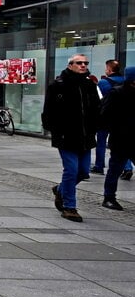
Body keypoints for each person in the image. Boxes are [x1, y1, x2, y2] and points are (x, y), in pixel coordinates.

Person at [41, 54, 101, 223]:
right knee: (71, 170)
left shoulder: (90, 85)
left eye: (85, 63)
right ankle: (69, 207)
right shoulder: (58, 85)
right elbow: (49, 110)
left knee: (83, 171)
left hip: (86, 136)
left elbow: (97, 108)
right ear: (70, 65)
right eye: (79, 63)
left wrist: (96, 127)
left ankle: (60, 190)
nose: (83, 65)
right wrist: (54, 130)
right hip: (66, 136)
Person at [100, 65, 135, 211]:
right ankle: (109, 197)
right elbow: (105, 115)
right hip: (121, 138)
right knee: (115, 169)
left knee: (115, 168)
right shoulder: (117, 93)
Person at [92, 59, 133, 179]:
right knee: (124, 145)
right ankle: (127, 168)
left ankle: (99, 166)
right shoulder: (126, 82)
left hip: (106, 117)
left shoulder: (103, 83)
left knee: (101, 141)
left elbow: (98, 101)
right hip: (122, 120)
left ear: (109, 70)